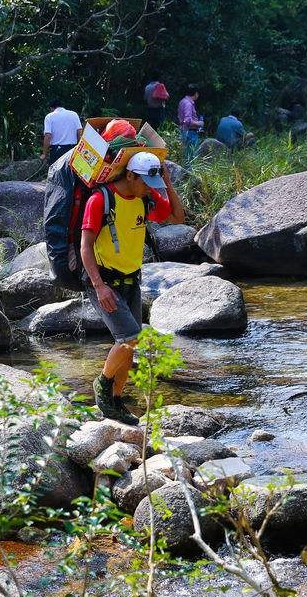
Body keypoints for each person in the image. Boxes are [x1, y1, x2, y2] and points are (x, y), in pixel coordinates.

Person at [81, 150, 185, 424]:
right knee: (129, 339)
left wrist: (167, 182)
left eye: (153, 187)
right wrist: (99, 286)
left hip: (131, 280)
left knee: (129, 346)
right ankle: (102, 385)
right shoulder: (100, 200)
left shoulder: (145, 199)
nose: (149, 190)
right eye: (145, 184)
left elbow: (177, 217)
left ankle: (115, 402)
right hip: (105, 281)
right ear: (129, 175)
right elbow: (85, 247)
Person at [43, 99, 82, 166]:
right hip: (72, 150)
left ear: (52, 108)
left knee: (56, 174)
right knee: (71, 173)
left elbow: (48, 136)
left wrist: (44, 154)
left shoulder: (49, 116)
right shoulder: (74, 114)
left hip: (57, 151)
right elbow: (80, 132)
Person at [177, 85, 203, 163]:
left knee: (185, 155)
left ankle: (185, 174)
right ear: (196, 94)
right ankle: (189, 174)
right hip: (190, 132)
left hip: (183, 130)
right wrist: (199, 123)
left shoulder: (183, 101)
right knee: (190, 157)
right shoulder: (188, 103)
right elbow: (187, 120)